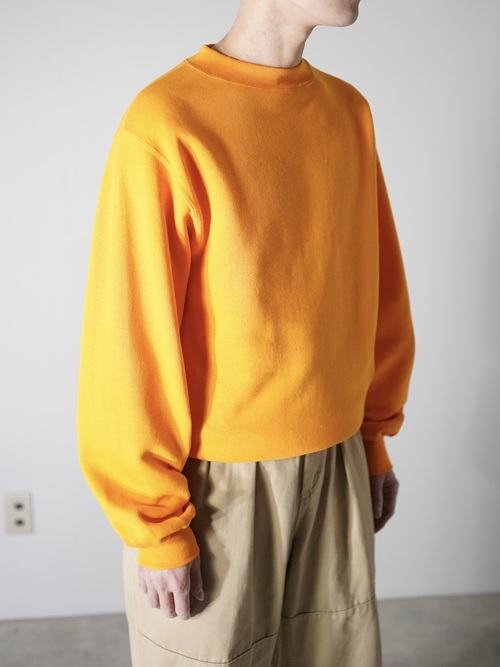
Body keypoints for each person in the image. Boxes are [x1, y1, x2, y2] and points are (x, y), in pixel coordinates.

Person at [77, 0, 415, 664]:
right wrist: (157, 526)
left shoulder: (349, 112)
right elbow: (127, 345)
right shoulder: (166, 122)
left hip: (338, 465)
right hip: (216, 493)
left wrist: (373, 440)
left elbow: (377, 288)